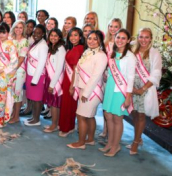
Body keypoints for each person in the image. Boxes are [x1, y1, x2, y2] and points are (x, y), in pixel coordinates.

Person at [66, 30, 107, 149]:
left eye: (95, 39)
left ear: (100, 41)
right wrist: (74, 85)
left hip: (92, 91)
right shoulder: (87, 52)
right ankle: (90, 139)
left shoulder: (101, 55)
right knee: (89, 116)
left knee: (81, 116)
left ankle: (81, 142)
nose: (92, 41)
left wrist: (87, 93)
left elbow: (96, 76)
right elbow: (77, 70)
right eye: (90, 38)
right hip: (83, 88)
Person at [100, 29, 136, 157]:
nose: (120, 40)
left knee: (117, 118)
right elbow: (109, 70)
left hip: (120, 91)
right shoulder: (112, 53)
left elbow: (131, 77)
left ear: (128, 40)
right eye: (118, 37)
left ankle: (116, 146)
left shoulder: (130, 56)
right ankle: (109, 143)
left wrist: (128, 96)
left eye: (123, 38)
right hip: (110, 87)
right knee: (108, 115)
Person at [128, 28, 162, 155]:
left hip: (145, 88)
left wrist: (142, 89)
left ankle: (135, 142)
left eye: (146, 37)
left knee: (141, 115)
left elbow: (156, 74)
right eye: (141, 36)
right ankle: (139, 137)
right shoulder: (132, 49)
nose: (143, 40)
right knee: (134, 113)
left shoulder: (154, 53)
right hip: (132, 86)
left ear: (151, 38)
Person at [58, 27, 86, 137]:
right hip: (67, 78)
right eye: (71, 35)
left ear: (80, 37)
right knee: (66, 104)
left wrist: (72, 86)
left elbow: (75, 68)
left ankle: (68, 127)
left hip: (71, 80)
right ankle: (67, 126)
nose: (73, 37)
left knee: (69, 104)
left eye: (76, 35)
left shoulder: (78, 48)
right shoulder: (73, 48)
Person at [24, 24, 49, 126]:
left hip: (37, 76)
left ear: (43, 34)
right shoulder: (35, 43)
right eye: (34, 32)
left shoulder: (43, 46)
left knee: (37, 99)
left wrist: (35, 80)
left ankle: (37, 119)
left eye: (38, 33)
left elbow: (41, 63)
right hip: (31, 74)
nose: (35, 35)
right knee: (32, 98)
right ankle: (34, 117)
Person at [43, 29, 66, 132]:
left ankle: (55, 125)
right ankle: (54, 123)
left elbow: (59, 68)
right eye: (51, 35)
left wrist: (52, 85)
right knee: (52, 104)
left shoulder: (60, 48)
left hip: (56, 81)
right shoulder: (52, 47)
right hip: (50, 79)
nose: (53, 37)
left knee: (55, 104)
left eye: (56, 36)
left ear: (60, 37)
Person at [9, 21, 29, 124]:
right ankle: (12, 114)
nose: (18, 29)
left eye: (21, 27)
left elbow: (21, 58)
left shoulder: (25, 41)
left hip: (19, 70)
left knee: (17, 93)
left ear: (23, 29)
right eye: (16, 27)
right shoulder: (10, 39)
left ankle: (16, 116)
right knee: (11, 93)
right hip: (9, 70)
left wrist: (14, 69)